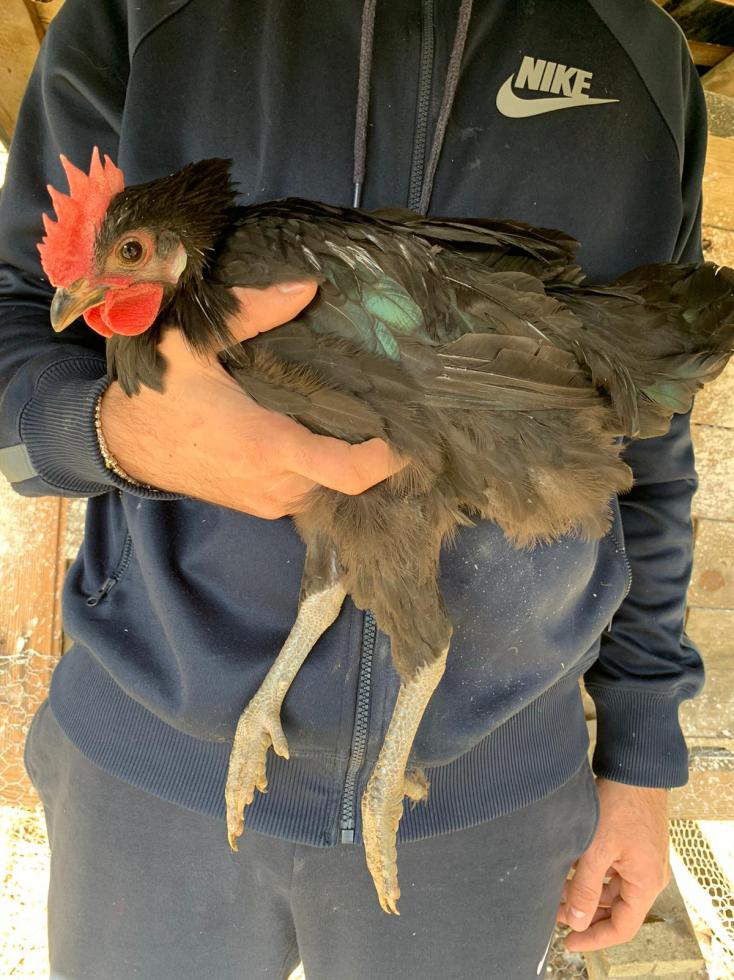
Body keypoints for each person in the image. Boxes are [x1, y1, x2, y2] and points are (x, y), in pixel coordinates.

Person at [0, 1, 705, 977]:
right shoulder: (139, 13)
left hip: (485, 798)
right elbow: (17, 318)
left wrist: (641, 755)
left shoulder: (637, 55)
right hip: (151, 767)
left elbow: (645, 446)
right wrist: (117, 434)